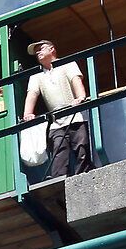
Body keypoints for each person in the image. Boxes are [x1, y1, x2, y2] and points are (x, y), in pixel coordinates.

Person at [21, 39, 92, 177]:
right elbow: (32, 94)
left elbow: (75, 80)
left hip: (75, 114)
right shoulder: (36, 76)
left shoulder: (68, 64)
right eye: (36, 52)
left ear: (52, 49)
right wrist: (27, 113)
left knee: (81, 146)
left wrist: (80, 97)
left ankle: (83, 176)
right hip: (56, 121)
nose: (38, 52)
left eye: (41, 48)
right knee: (59, 149)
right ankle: (58, 181)